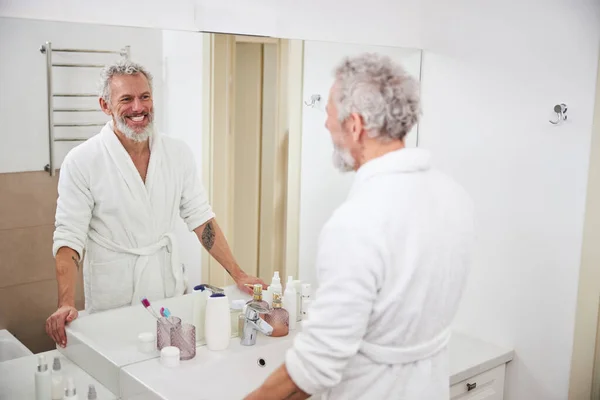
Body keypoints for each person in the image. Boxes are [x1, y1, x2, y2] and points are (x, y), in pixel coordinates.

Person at [245, 53, 474, 400]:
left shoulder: (357, 222)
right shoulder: (453, 194)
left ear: (355, 125)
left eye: (329, 117)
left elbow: (313, 369)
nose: (325, 126)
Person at [46, 60, 265, 347]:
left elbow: (201, 219)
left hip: (166, 288)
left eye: (145, 96)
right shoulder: (82, 161)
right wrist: (65, 302)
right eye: (126, 99)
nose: (138, 107)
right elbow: (69, 238)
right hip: (114, 293)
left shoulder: (177, 153)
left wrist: (238, 273)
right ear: (105, 105)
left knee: (171, 360)